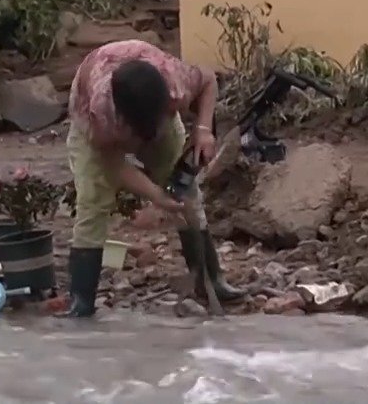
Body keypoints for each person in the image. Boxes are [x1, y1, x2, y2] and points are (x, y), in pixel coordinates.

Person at [61, 39, 245, 318]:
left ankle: (211, 281)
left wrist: (203, 130)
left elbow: (208, 81)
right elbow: (112, 165)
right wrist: (156, 195)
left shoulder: (173, 80)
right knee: (93, 199)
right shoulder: (100, 114)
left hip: (158, 118)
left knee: (186, 194)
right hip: (98, 121)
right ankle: (81, 302)